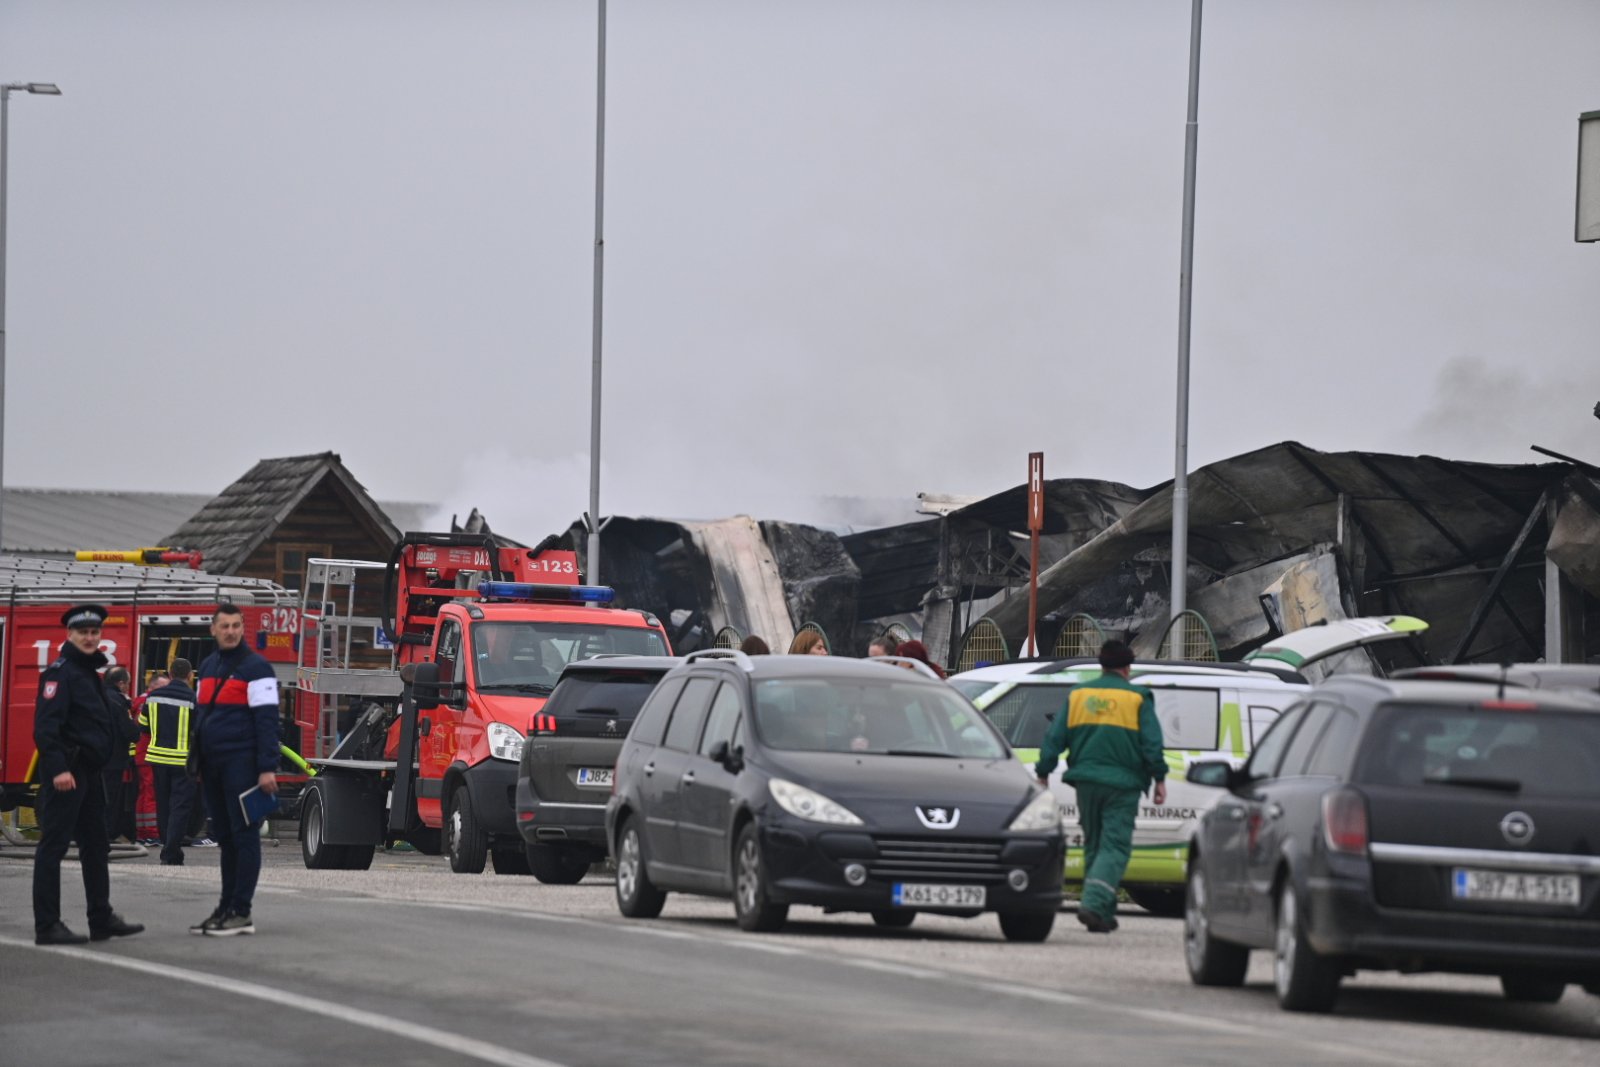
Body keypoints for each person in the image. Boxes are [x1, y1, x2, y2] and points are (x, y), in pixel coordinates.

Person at [1034, 639, 1166, 934]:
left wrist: (1044, 771)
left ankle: (1102, 914)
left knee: (1095, 844)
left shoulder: (1079, 694)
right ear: (1126, 668)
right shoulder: (1137, 697)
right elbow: (1152, 744)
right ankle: (1094, 903)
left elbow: (1055, 737)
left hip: (1086, 782)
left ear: (1103, 665)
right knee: (1115, 845)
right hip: (1123, 783)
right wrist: (1160, 778)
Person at [31, 604, 144, 945]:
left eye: (95, 633)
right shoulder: (59, 673)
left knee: (96, 847)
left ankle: (101, 918)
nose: (90, 638)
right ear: (70, 635)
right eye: (84, 633)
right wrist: (59, 770)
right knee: (53, 846)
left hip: (90, 774)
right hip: (69, 773)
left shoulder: (88, 674)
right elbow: (45, 729)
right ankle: (47, 925)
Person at [191, 603, 280, 936]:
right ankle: (226, 906)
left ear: (243, 628)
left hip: (242, 765)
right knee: (225, 839)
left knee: (244, 839)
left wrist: (266, 768)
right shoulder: (209, 665)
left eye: (236, 625)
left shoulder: (257, 668)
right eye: (224, 626)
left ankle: (241, 911)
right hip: (213, 767)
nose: (230, 631)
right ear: (212, 630)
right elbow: (202, 718)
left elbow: (267, 720)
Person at [141, 659, 200, 866]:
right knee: (180, 807)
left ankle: (168, 845)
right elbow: (199, 732)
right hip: (182, 762)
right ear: (190, 676)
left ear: (170, 674)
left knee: (163, 806)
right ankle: (171, 851)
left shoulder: (152, 697)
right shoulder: (193, 699)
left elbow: (143, 726)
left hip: (157, 759)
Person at [99, 666, 138, 842]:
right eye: (128, 684)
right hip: (113, 760)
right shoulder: (118, 702)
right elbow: (130, 732)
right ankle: (105, 837)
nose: (128, 688)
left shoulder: (95, 697)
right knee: (110, 800)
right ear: (121, 683)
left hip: (94, 758)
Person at [131, 672, 167, 845]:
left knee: (144, 792)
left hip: (142, 753)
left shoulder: (139, 701)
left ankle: (143, 831)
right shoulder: (148, 702)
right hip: (147, 753)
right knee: (150, 792)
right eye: (163, 687)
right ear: (152, 687)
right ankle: (151, 833)